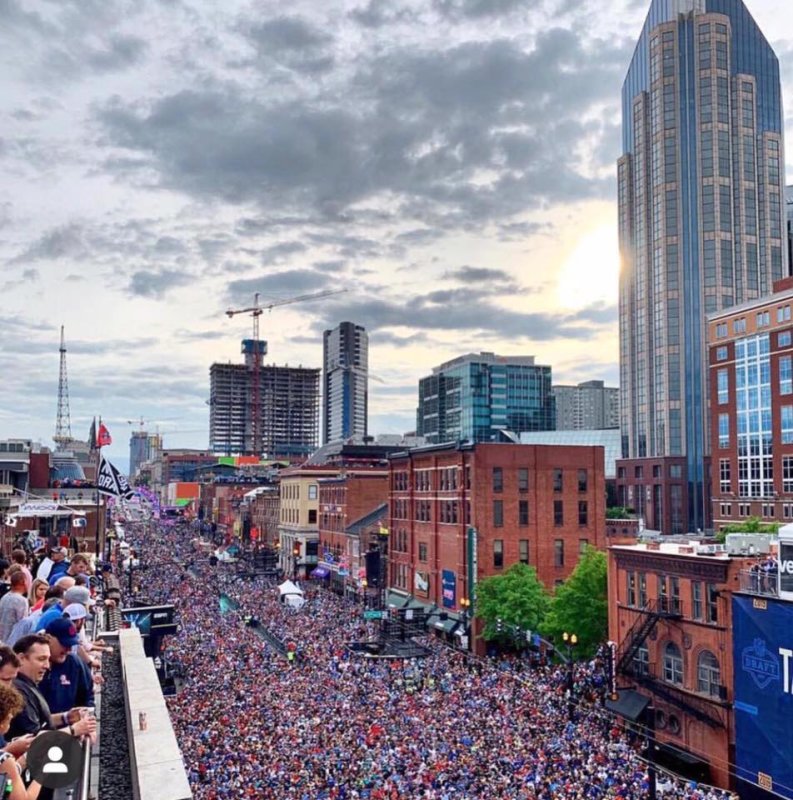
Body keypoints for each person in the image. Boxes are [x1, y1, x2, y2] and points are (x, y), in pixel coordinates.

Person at [7, 635, 95, 742]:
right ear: (21, 659)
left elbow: (41, 721)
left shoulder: (28, 684)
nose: (47, 666)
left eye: (48, 659)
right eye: (41, 659)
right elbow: (33, 738)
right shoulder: (18, 691)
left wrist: (66, 717)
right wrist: (74, 730)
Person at [38, 619, 94, 715]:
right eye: (64, 644)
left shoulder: (75, 663)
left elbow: (87, 696)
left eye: (70, 645)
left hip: (71, 727)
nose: (68, 650)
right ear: (49, 639)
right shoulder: (34, 666)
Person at [0, 573, 29, 644]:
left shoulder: (5, 597)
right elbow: (22, 623)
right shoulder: (21, 600)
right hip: (13, 641)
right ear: (24, 582)